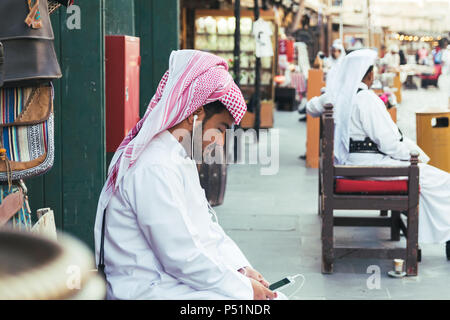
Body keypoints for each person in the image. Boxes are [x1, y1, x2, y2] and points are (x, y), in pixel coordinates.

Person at [94, 50, 280, 300]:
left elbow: (205, 228)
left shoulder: (177, 156)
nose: (221, 142)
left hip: (173, 282)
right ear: (197, 114)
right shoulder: (154, 167)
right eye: (221, 129)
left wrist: (241, 268)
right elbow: (180, 257)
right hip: (147, 290)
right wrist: (244, 290)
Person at [307, 49, 450, 258]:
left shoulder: (337, 95)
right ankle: (441, 235)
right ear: (369, 75)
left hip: (345, 164)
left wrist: (326, 95)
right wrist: (416, 155)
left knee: (429, 177)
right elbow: (390, 143)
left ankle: (430, 232)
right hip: (367, 166)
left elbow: (311, 107)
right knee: (442, 180)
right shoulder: (367, 99)